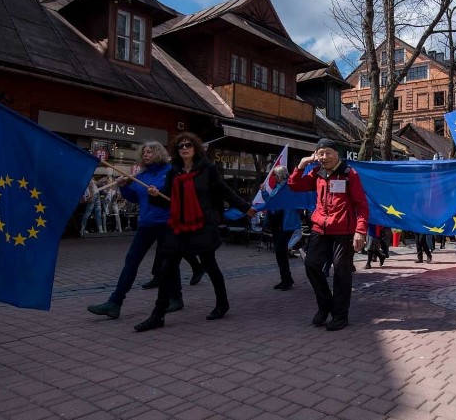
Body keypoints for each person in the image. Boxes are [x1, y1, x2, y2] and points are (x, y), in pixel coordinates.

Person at [134, 132, 255, 332]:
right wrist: (156, 194)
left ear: (195, 147)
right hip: (178, 224)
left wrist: (246, 208)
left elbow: (225, 191)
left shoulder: (208, 169)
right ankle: (158, 315)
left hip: (202, 225)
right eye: (180, 145)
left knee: (210, 265)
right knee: (167, 269)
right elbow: (166, 196)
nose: (184, 148)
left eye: (188, 144)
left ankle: (222, 303)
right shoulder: (174, 171)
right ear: (176, 150)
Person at [86, 142, 184, 319]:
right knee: (131, 261)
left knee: (168, 263)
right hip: (146, 224)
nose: (146, 154)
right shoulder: (142, 174)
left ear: (159, 153)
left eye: (150, 152)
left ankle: (176, 298)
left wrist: (159, 193)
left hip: (166, 223)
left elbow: (176, 197)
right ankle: (115, 302)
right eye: (144, 152)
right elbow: (134, 198)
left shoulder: (171, 171)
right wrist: (124, 186)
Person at [288, 138, 369, 331]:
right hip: (320, 230)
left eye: (328, 153)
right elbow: (294, 185)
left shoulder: (350, 174)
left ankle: (340, 315)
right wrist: (301, 165)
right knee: (311, 265)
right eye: (320, 153)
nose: (324, 157)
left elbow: (362, 205)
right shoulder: (317, 173)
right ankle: (325, 306)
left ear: (336, 154)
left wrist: (360, 230)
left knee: (341, 271)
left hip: (344, 231)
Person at [261, 165, 302, 290]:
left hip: (286, 224)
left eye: (274, 174)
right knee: (280, 252)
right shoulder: (277, 187)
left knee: (280, 250)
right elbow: (271, 203)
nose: (273, 176)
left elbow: (295, 204)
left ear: (279, 175)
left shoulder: (289, 187)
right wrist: (263, 191)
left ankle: (287, 279)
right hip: (277, 224)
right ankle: (285, 279)